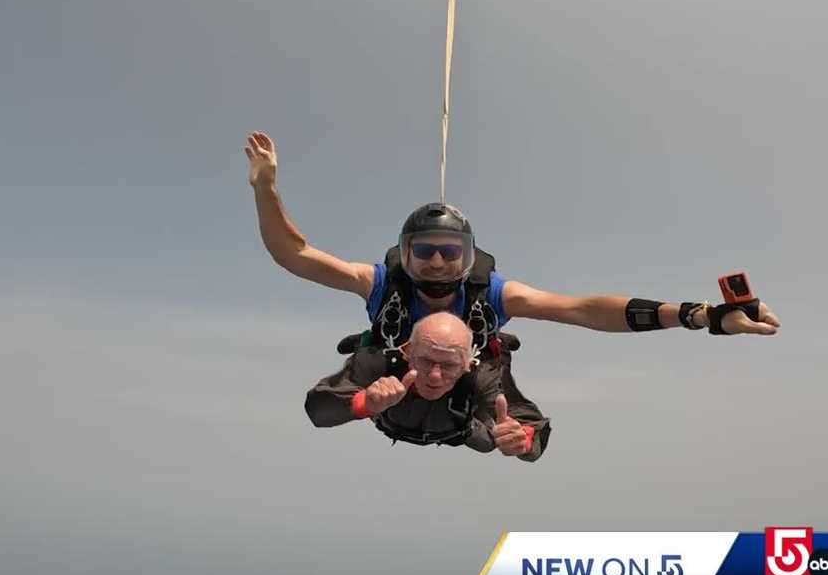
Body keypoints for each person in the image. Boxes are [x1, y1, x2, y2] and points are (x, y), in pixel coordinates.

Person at [243, 131, 781, 342]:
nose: (434, 261)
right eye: (422, 251)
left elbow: (585, 308)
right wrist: (265, 189)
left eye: (448, 251)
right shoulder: (380, 282)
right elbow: (294, 254)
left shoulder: (494, 294)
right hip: (391, 381)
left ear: (468, 256)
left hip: (473, 394)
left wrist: (699, 314)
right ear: (403, 255)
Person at [306, 313, 550, 461]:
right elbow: (318, 410)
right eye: (425, 361)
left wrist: (523, 441)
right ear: (407, 352)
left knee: (489, 442)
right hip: (393, 417)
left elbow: (535, 431)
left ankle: (499, 347)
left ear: (467, 363)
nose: (435, 376)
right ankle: (366, 339)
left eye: (449, 365)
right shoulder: (378, 362)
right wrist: (364, 403)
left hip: (457, 426)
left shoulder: (482, 375)